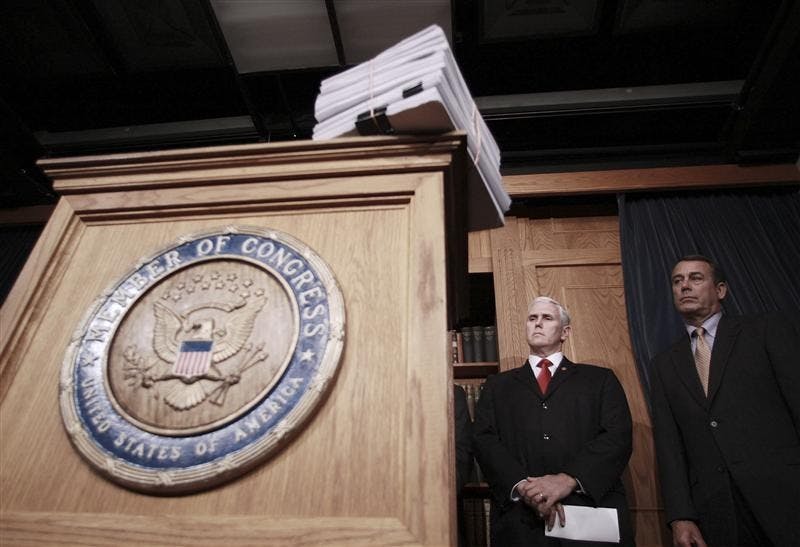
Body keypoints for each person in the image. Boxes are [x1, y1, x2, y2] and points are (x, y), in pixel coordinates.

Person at [650, 255, 800, 546]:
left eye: (695, 278)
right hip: (716, 512)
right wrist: (681, 516)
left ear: (720, 290)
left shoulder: (765, 330)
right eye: (677, 281)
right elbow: (670, 447)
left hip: (785, 496)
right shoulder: (664, 364)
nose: (685, 287)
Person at [473, 296, 634, 546]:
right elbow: (484, 440)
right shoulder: (497, 386)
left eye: (547, 318)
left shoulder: (599, 380)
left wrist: (568, 480)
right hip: (521, 523)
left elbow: (617, 437)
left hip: (589, 517)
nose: (537, 323)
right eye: (532, 318)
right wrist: (525, 488)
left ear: (565, 332)